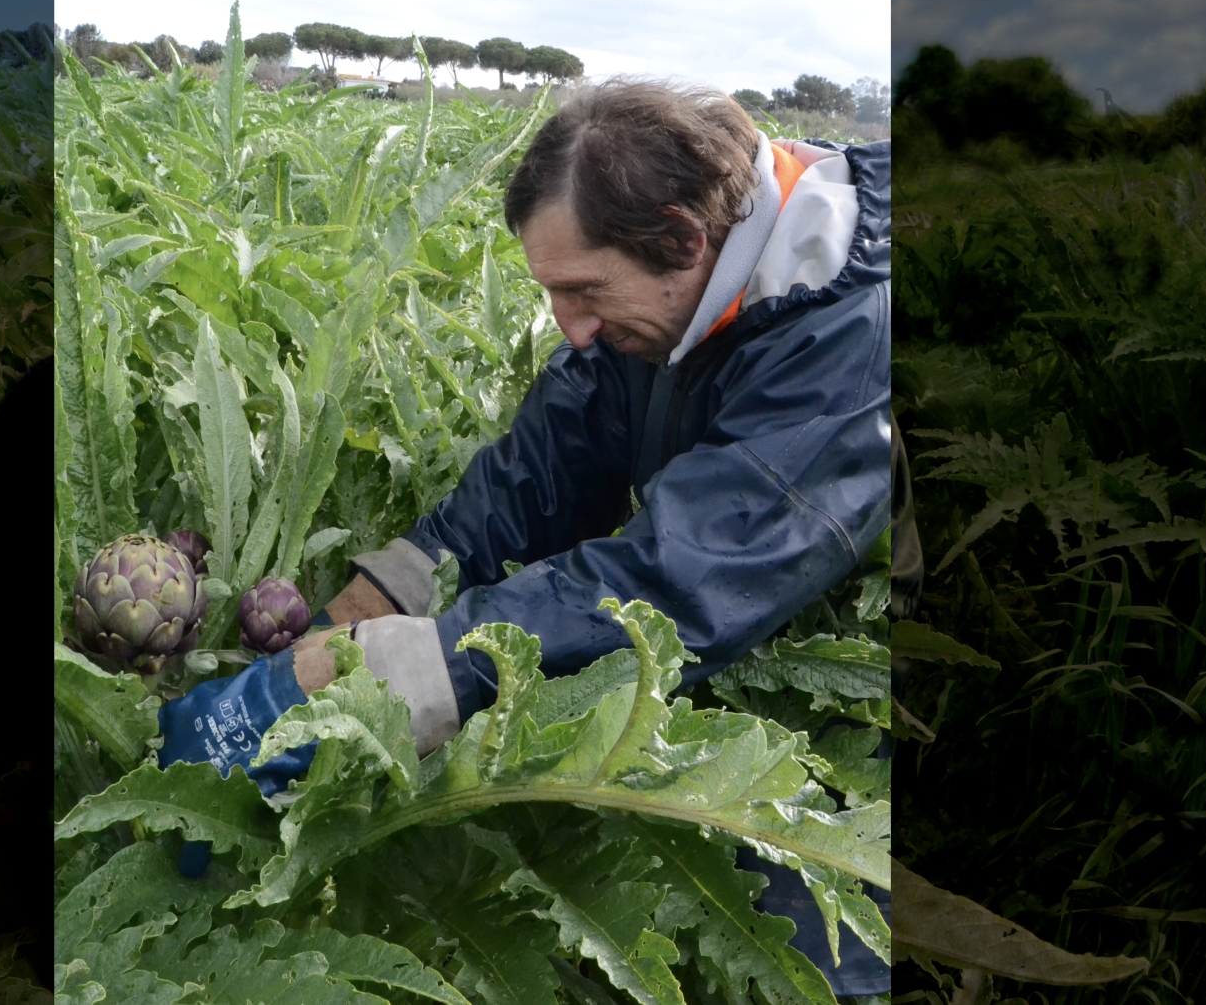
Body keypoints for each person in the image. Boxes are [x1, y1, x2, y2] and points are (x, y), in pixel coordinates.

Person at [159, 80, 892, 993]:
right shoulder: (667, 299)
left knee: (808, 904)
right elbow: (535, 476)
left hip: (882, 690)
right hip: (757, 595)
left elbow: (678, 582)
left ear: (686, 238)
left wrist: (384, 682)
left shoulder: (851, 337)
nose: (569, 329)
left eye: (584, 292)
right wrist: (354, 620)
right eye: (550, 293)